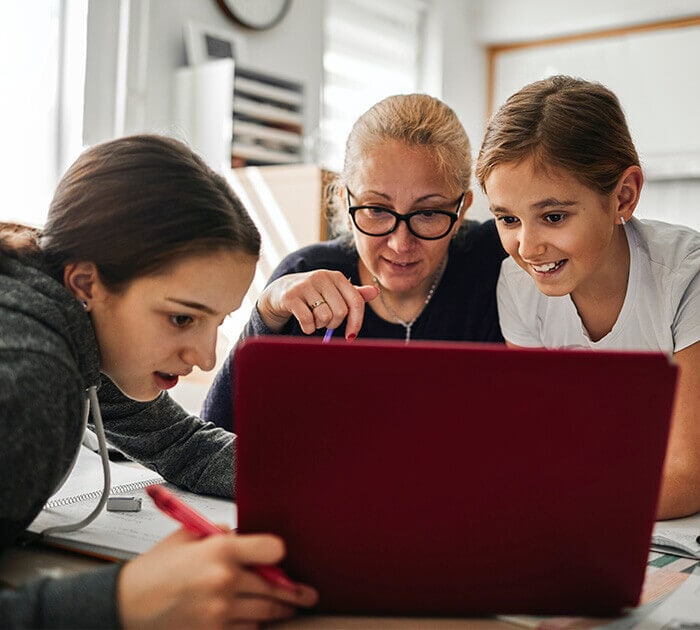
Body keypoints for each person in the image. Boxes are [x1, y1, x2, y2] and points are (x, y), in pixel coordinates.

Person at [0, 134, 317, 627]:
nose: (207, 358)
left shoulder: (72, 320)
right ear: (87, 283)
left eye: (219, 321)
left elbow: (181, 443)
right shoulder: (32, 377)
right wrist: (126, 601)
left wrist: (323, 483)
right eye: (182, 319)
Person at [202, 93, 508, 431]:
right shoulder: (304, 279)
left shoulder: (498, 259)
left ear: (461, 208)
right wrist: (265, 317)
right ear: (345, 200)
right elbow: (215, 436)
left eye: (428, 213)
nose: (400, 244)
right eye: (376, 210)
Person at [474, 75, 700, 520]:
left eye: (553, 216)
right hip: (599, 509)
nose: (528, 246)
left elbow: (688, 475)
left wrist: (557, 500)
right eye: (507, 219)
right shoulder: (518, 284)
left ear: (623, 196)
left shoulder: (685, 278)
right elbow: (538, 439)